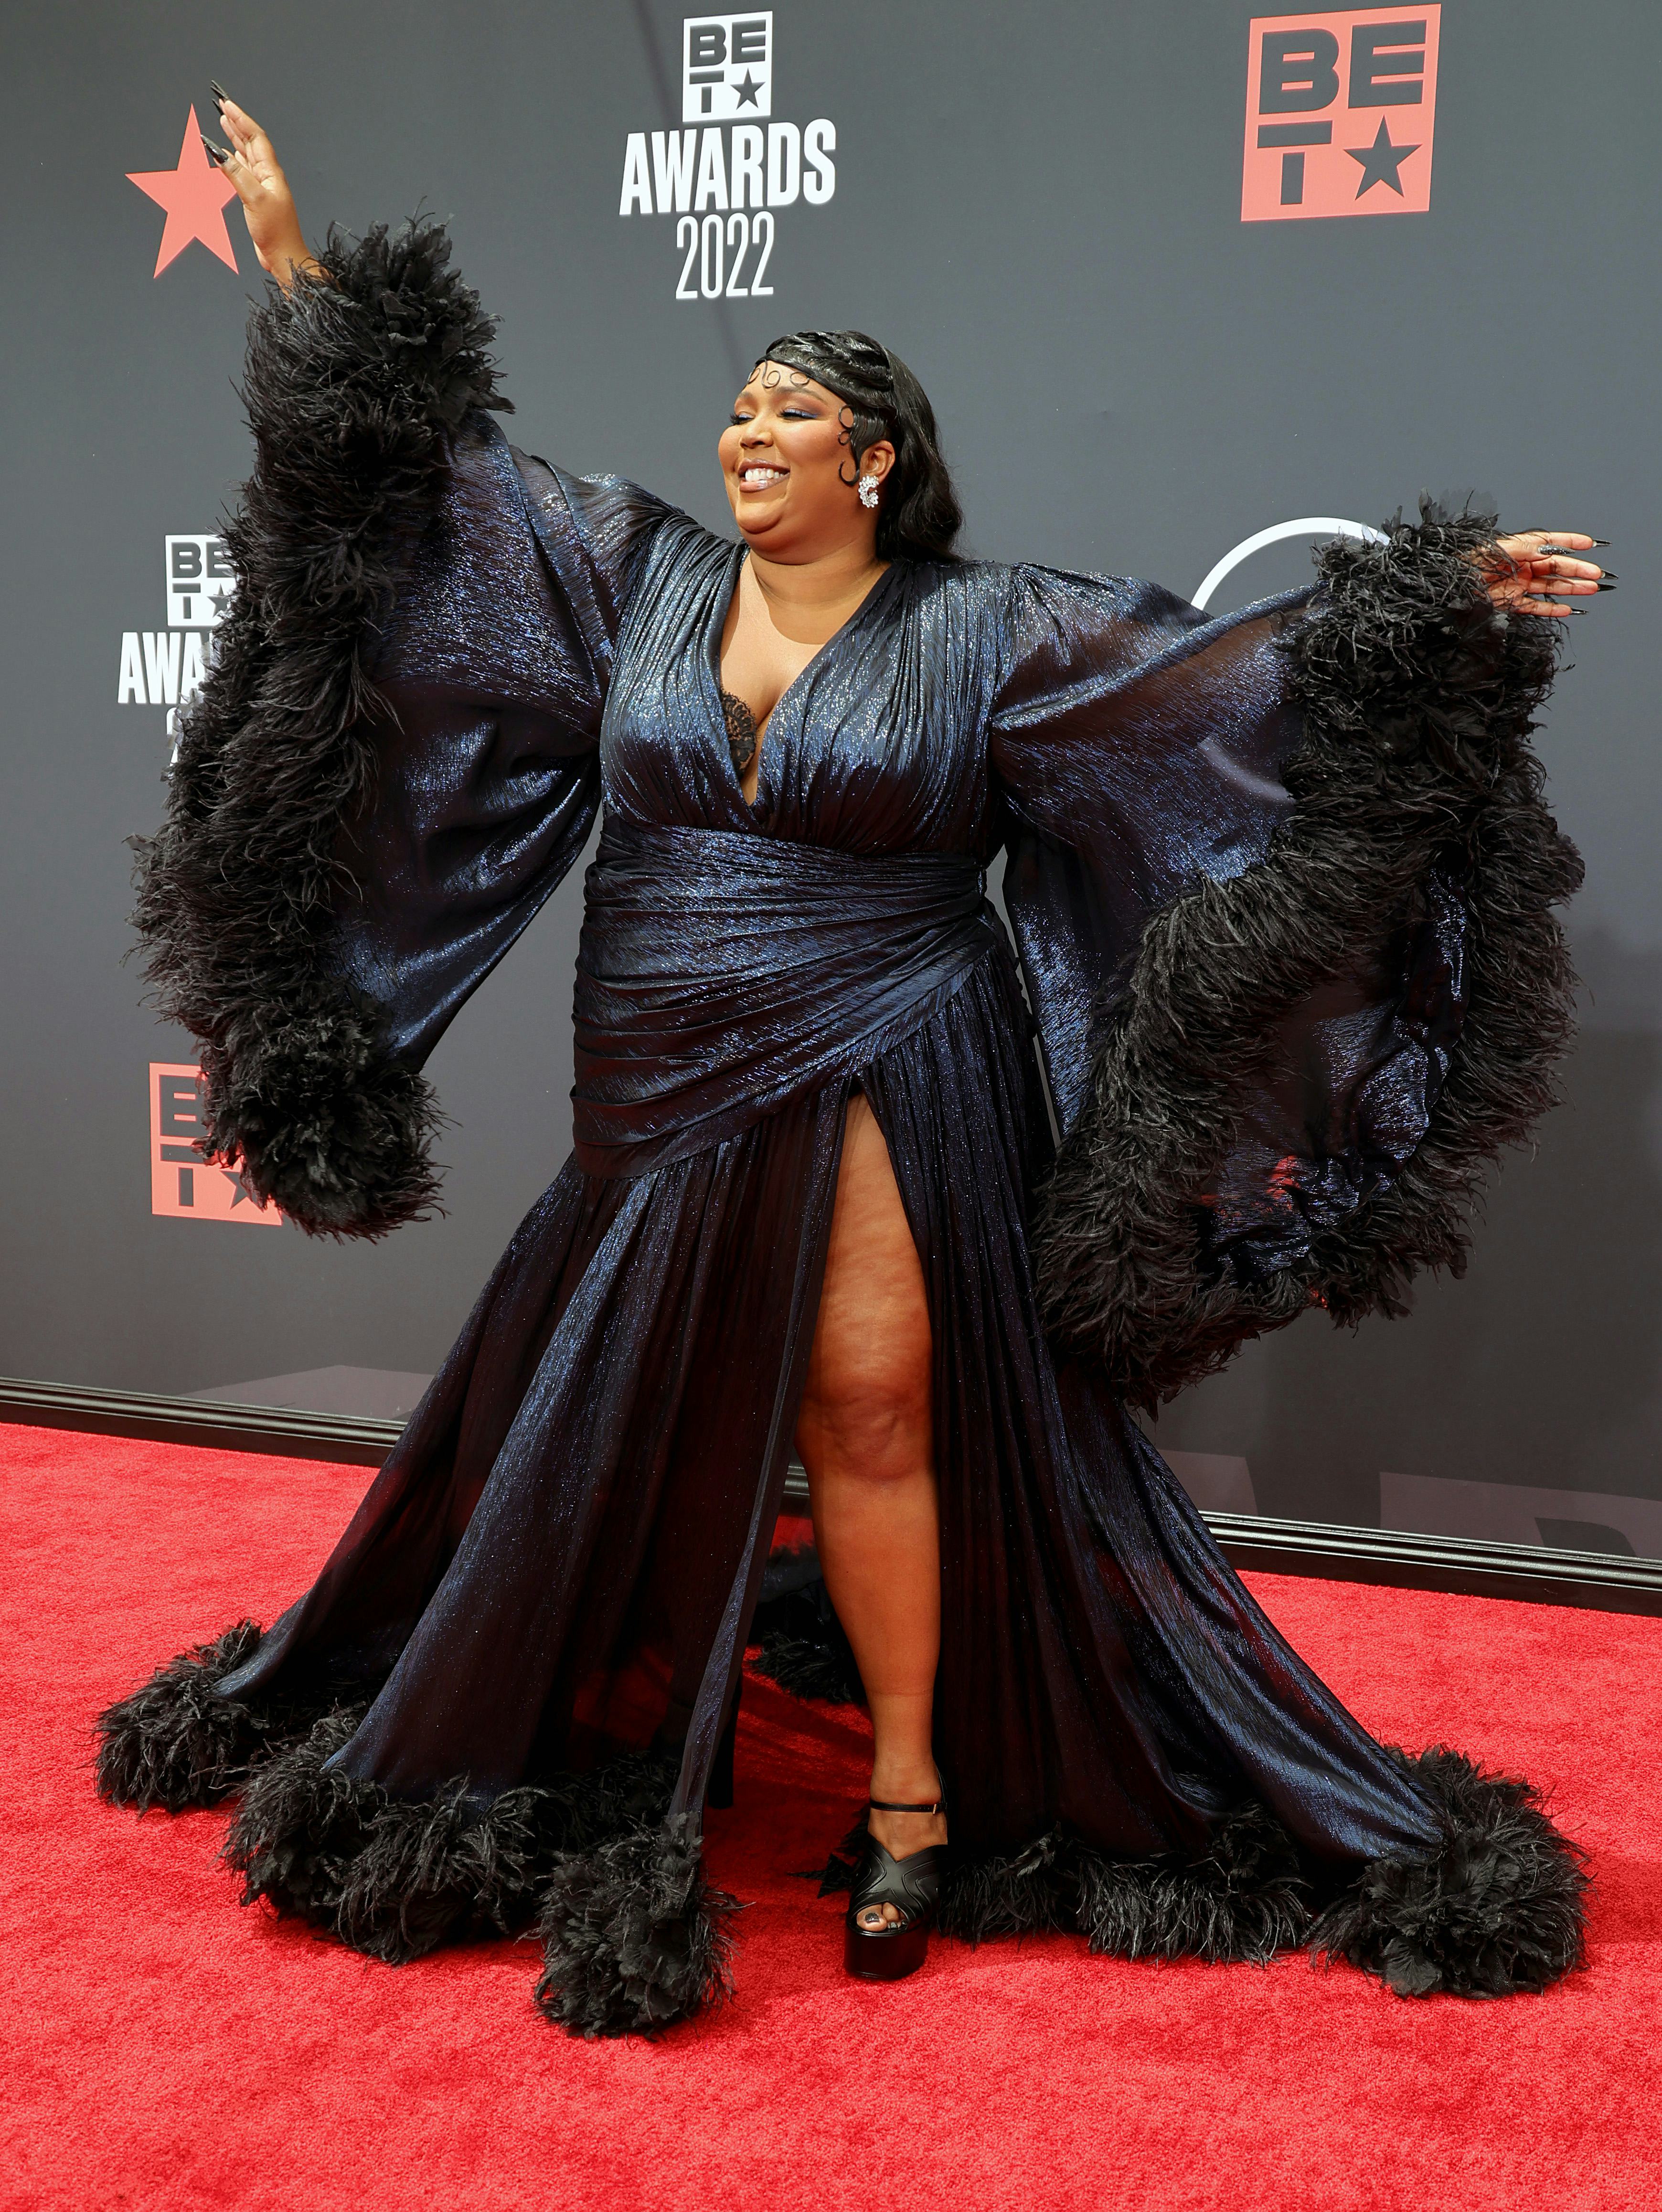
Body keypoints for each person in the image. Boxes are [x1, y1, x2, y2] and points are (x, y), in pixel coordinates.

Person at [99, 91, 1607, 2038]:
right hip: (650, 1056)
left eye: (793, 410)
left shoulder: (988, 630)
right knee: (634, 1392)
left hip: (898, 1043)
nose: (747, 430)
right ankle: (597, 1716)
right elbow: (444, 493)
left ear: (877, 460)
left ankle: (909, 1797)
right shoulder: (632, 576)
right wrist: (299, 264)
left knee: (881, 1403)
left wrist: (1425, 611)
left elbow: (1210, 691)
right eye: (740, 405)